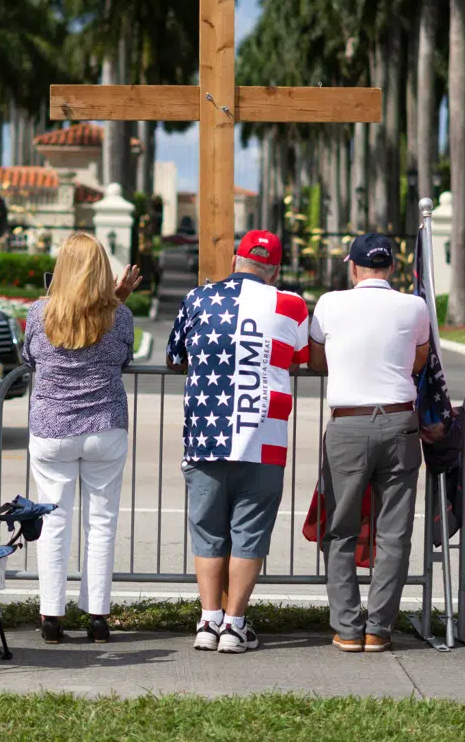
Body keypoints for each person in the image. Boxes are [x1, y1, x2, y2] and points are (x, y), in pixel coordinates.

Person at [165, 230, 308, 654]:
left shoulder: (197, 298)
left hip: (205, 436)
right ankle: (235, 625)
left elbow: (175, 357)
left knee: (207, 532)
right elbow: (300, 359)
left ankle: (208, 620)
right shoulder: (292, 304)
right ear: (275, 270)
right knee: (250, 533)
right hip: (264, 438)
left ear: (234, 262)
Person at [307, 234, 431, 653]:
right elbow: (418, 359)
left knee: (340, 528)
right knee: (394, 532)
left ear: (354, 267)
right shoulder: (414, 306)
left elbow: (317, 359)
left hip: (349, 422)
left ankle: (347, 627)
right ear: (391, 267)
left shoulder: (330, 303)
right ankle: (379, 627)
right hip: (399, 419)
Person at [21, 234, 142, 645]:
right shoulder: (120, 317)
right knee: (101, 522)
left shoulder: (39, 312)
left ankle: (51, 615)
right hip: (105, 424)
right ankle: (97, 616)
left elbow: (29, 357)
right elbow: (122, 357)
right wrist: (118, 300)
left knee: (54, 521)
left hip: (52, 426)